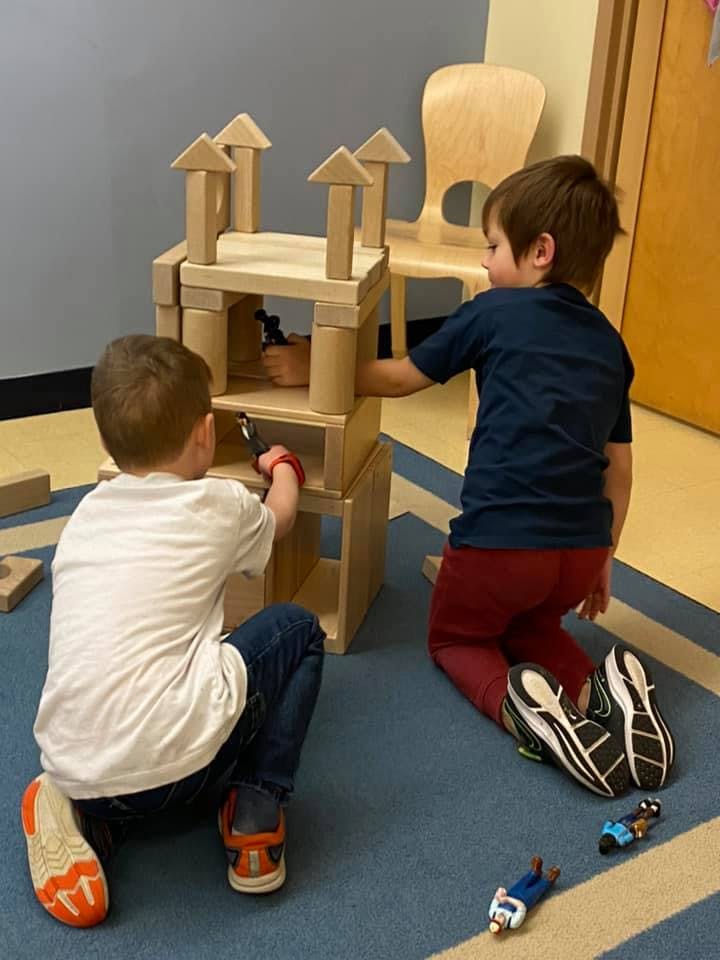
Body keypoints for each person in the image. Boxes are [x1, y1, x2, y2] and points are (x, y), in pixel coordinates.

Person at [261, 155, 675, 798]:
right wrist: (603, 557)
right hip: (579, 550)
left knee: (456, 638)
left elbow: (400, 377)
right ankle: (601, 690)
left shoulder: (492, 312)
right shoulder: (610, 344)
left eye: (492, 246)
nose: (484, 262)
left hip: (500, 545)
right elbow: (619, 469)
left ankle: (529, 715)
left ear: (540, 251)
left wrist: (315, 363)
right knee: (535, 628)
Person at [21, 335, 325, 927]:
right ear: (206, 433)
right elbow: (281, 518)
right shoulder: (221, 502)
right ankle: (257, 805)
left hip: (74, 762)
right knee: (299, 629)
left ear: (106, 439)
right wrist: (282, 467)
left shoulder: (84, 516)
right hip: (191, 768)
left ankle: (92, 819)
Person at [487, 856, 560, 934]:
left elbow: (496, 898)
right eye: (499, 922)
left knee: (523, 882)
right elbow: (521, 907)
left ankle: (535, 872)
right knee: (537, 889)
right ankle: (549, 880)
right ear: (502, 927)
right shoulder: (513, 922)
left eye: (495, 920)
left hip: (512, 893)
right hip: (525, 900)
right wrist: (506, 899)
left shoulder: (492, 913)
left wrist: (499, 893)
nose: (498, 918)